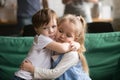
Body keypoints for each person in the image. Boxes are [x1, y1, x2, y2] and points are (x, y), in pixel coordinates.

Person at [13, 9, 79, 80]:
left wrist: (77, 44)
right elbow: (62, 48)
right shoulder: (42, 38)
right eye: (45, 28)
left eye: (53, 26)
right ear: (36, 29)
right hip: (24, 77)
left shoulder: (53, 40)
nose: (51, 31)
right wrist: (75, 44)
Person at [20, 14, 91, 80]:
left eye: (68, 35)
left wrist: (32, 69)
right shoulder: (53, 45)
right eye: (60, 31)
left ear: (75, 39)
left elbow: (54, 73)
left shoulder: (72, 54)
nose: (62, 36)